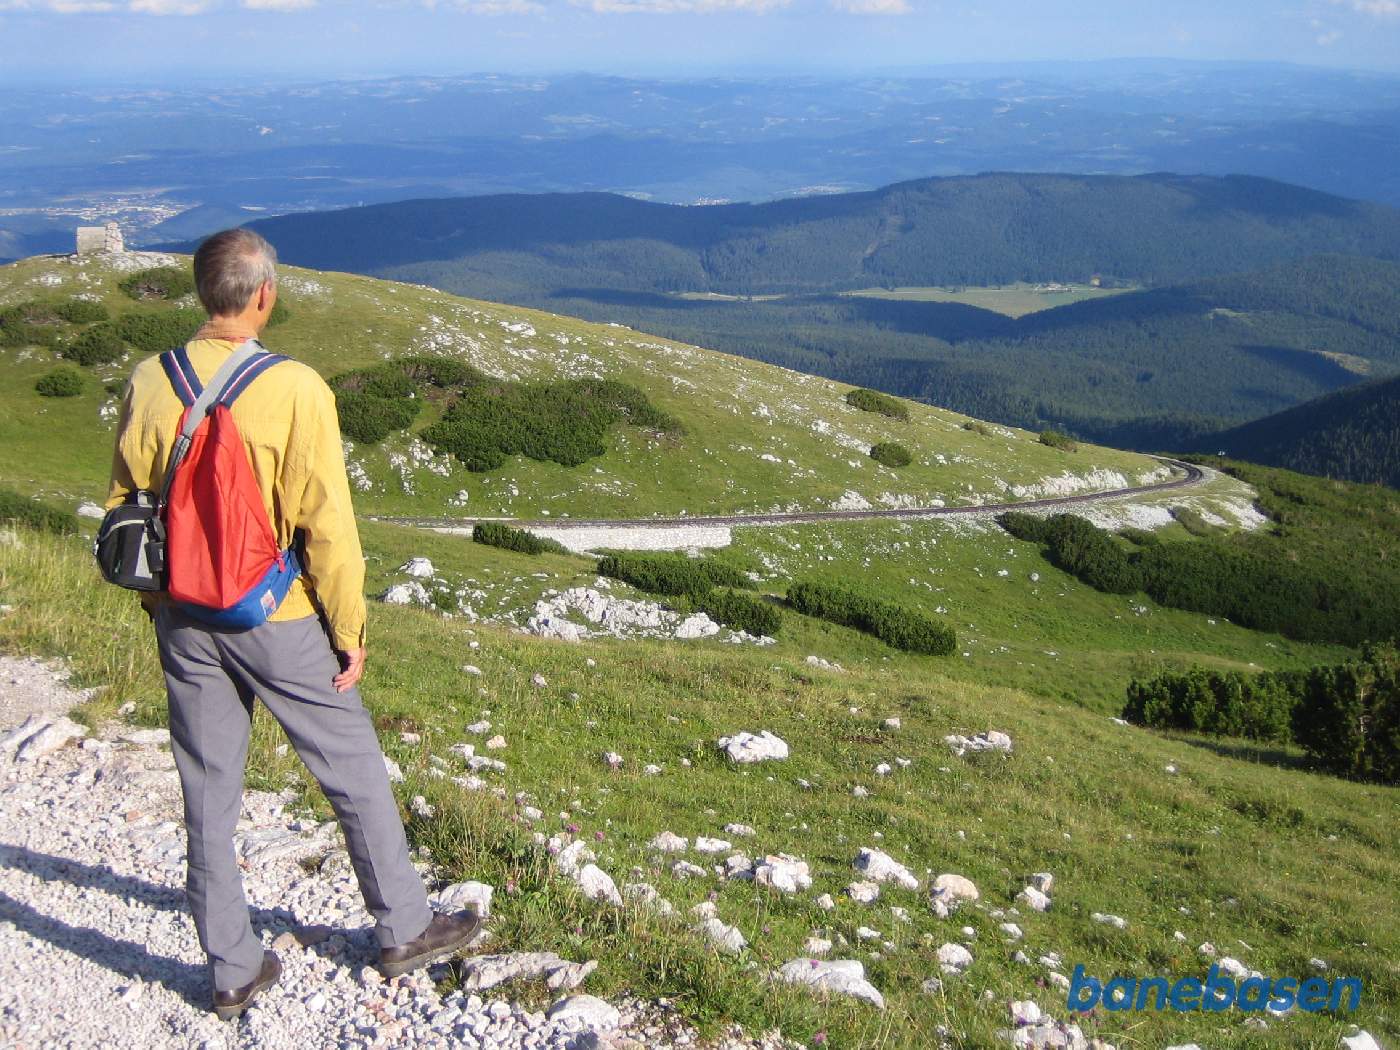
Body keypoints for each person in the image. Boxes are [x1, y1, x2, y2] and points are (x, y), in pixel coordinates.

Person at [106, 228, 481, 1021]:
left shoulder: (149, 378)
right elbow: (327, 526)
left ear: (203, 294)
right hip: (277, 613)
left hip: (182, 616)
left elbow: (126, 512)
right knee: (352, 769)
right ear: (264, 294)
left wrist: (161, 607)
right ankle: (404, 927)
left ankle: (232, 968)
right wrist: (348, 628)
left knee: (206, 790)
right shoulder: (295, 387)